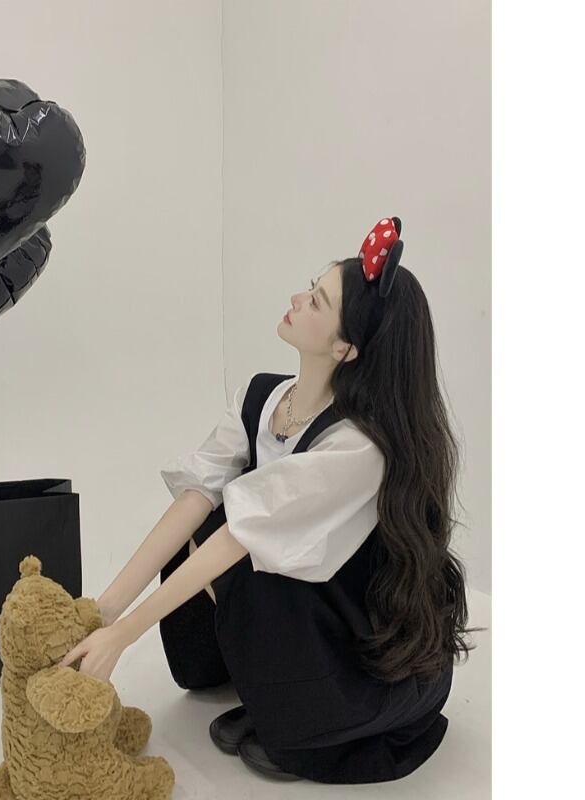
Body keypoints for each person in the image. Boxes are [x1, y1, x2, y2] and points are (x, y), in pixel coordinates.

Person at [60, 217, 482, 784]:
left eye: (316, 301)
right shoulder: (263, 397)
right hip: (282, 597)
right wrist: (105, 610)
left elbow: (237, 535)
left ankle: (300, 710)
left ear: (345, 347)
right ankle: (258, 681)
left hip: (341, 630)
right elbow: (196, 496)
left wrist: (123, 638)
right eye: (309, 288)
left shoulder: (356, 445)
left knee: (233, 546)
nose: (296, 299)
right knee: (204, 522)